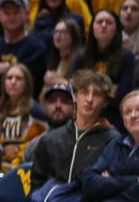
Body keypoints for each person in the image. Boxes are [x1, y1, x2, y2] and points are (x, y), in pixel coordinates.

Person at [30, 70, 119, 199]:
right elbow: (36, 184)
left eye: (97, 94)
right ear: (75, 96)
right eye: (84, 92)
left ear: (105, 102)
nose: (89, 99)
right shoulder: (50, 139)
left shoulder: (113, 140)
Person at [82, 89, 139, 201]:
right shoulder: (115, 143)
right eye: (127, 112)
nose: (133, 115)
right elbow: (89, 182)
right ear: (123, 120)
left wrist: (109, 182)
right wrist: (134, 180)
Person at [0, 64, 49, 173]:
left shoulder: (37, 112)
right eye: (9, 78)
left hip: (28, 172)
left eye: (18, 78)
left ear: (27, 83)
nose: (13, 82)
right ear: (4, 83)